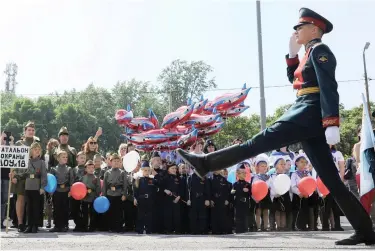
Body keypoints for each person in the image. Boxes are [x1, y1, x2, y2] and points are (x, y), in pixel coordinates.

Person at [176, 7, 375, 245]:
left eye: (300, 27)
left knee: (256, 143)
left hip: (307, 112)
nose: (296, 32)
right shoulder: (308, 53)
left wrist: (331, 121)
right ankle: (366, 230)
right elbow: (296, 80)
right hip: (304, 111)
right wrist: (291, 57)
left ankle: (205, 163)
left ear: (314, 29)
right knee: (331, 179)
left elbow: (329, 87)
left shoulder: (321, 51)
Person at [12, 121, 40, 232]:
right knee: (21, 198)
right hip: (20, 175)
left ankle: (32, 223)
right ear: (25, 131)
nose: (31, 132)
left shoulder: (37, 143)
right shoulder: (19, 144)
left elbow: (40, 157)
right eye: (29, 130)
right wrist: (13, 172)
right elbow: (13, 159)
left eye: (33, 130)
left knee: (33, 200)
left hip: (33, 176)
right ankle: (20, 223)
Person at [23, 142, 47, 233]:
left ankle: (35, 225)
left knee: (36, 207)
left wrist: (42, 187)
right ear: (31, 151)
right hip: (28, 186)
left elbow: (44, 176)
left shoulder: (41, 162)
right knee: (28, 207)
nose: (37, 151)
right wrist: (15, 176)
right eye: (35, 149)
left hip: (37, 187)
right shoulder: (27, 161)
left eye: (38, 150)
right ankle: (29, 225)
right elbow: (23, 173)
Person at [49, 150, 74, 232]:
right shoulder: (53, 169)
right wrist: (51, 191)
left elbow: (71, 181)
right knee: (56, 208)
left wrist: (71, 190)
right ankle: (57, 225)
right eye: (63, 157)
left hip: (66, 191)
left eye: (66, 157)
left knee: (65, 209)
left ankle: (65, 225)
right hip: (56, 191)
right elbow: (51, 181)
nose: (65, 158)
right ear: (58, 158)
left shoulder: (69, 169)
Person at [102, 153, 127, 233]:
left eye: (117, 161)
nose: (116, 162)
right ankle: (111, 227)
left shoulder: (122, 173)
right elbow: (105, 185)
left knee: (119, 212)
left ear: (120, 162)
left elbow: (125, 185)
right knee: (110, 211)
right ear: (111, 162)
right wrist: (104, 195)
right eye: (114, 161)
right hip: (109, 194)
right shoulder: (107, 173)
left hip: (119, 194)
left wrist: (124, 194)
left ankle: (119, 227)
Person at [133, 161, 156, 234]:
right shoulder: (138, 179)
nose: (147, 172)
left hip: (149, 200)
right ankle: (140, 229)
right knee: (140, 215)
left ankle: (149, 229)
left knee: (149, 215)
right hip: (141, 200)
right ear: (141, 170)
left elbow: (154, 189)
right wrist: (135, 198)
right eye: (145, 170)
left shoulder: (152, 180)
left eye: (149, 170)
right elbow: (135, 191)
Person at [81, 160, 101, 232]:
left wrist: (96, 195)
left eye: (92, 167)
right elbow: (81, 186)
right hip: (85, 198)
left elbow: (98, 188)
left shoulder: (96, 178)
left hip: (93, 198)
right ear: (86, 169)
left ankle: (92, 227)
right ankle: (84, 226)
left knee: (93, 213)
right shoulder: (83, 177)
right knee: (84, 213)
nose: (91, 169)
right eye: (89, 168)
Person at [1, 131, 14, 229]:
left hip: (6, 177)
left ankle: (1, 220)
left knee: (4, 200)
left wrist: (11, 143)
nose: (5, 140)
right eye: (4, 138)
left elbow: (16, 157)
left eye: (7, 139)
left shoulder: (10, 148)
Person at [232, 164, 250, 233]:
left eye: (245, 173)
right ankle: (238, 229)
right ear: (238, 174)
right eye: (242, 173)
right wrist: (240, 190)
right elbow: (232, 192)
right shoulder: (235, 184)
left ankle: (245, 228)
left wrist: (248, 191)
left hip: (245, 203)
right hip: (238, 203)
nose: (244, 174)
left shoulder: (248, 184)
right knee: (238, 216)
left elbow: (250, 193)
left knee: (245, 216)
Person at [71, 151, 87, 232]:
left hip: (85, 192)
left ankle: (84, 225)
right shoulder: (74, 170)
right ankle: (78, 224)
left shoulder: (87, 168)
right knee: (75, 209)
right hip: (76, 193)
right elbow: (72, 180)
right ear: (77, 159)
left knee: (84, 209)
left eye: (84, 158)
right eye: (81, 157)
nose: (83, 159)